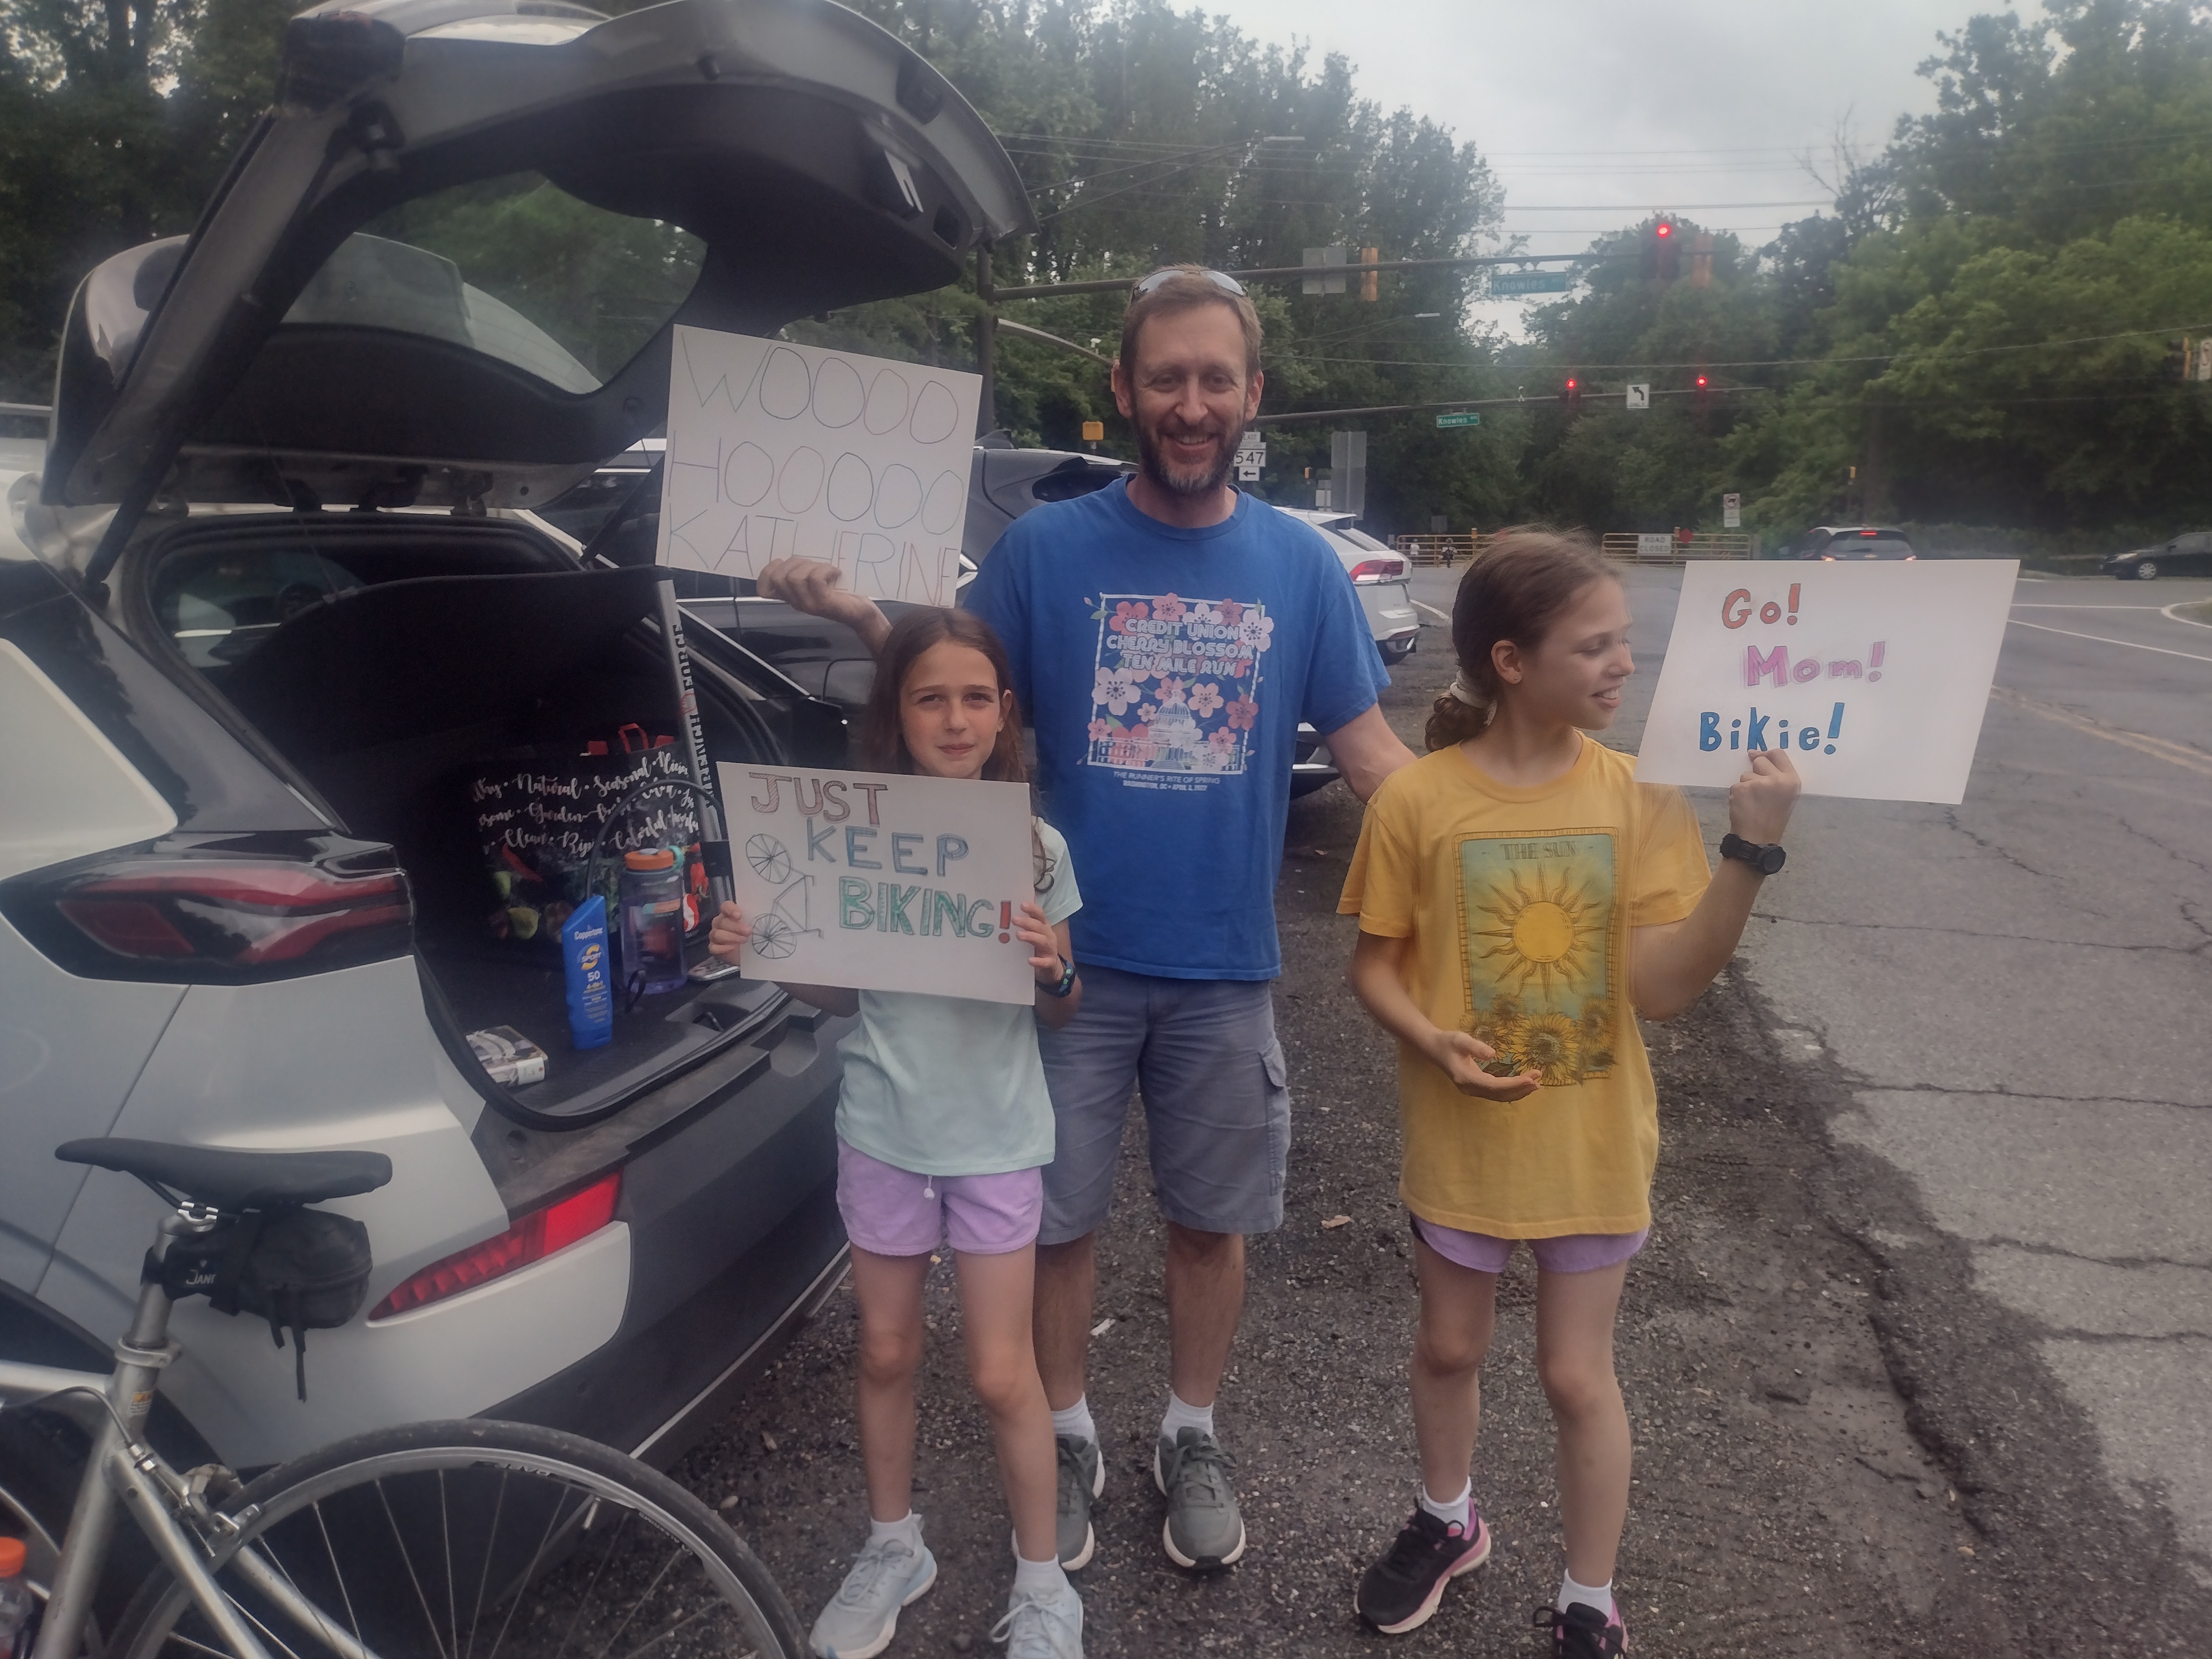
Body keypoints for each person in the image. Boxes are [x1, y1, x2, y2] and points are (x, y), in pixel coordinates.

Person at [757, 264, 1417, 1571]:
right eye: (1163, 377)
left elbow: (1369, 756)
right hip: (1052, 963)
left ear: (1251, 396)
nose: (1189, 401)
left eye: (1212, 378)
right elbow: (944, 686)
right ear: (1122, 393)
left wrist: (1519, 835)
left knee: (1206, 1219)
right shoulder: (1046, 551)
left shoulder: (1297, 564)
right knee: (1054, 1222)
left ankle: (1188, 1429)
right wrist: (844, 613)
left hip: (1224, 966)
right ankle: (1062, 1427)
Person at [1336, 529, 1799, 1657]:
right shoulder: (1416, 802)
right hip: (1460, 1143)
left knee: (1573, 1375)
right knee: (1447, 1350)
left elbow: (1661, 988)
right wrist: (1433, 1042)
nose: (1619, 666)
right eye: (1592, 646)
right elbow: (1373, 964)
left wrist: (1748, 853)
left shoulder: (1639, 799)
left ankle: (1587, 1595)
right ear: (1509, 660)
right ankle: (1448, 1521)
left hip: (1589, 1147)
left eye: (1622, 644)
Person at [709, 608, 1088, 1659]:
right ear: (897, 713)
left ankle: (1045, 1579)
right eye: (930, 697)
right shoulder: (853, 836)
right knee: (883, 1349)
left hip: (998, 1137)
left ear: (1004, 713)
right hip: (882, 1126)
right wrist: (766, 950)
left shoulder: (1034, 844)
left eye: (976, 698)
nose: (955, 719)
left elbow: (1062, 1004)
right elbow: (839, 996)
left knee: (1003, 1373)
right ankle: (893, 1544)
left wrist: (1050, 966)